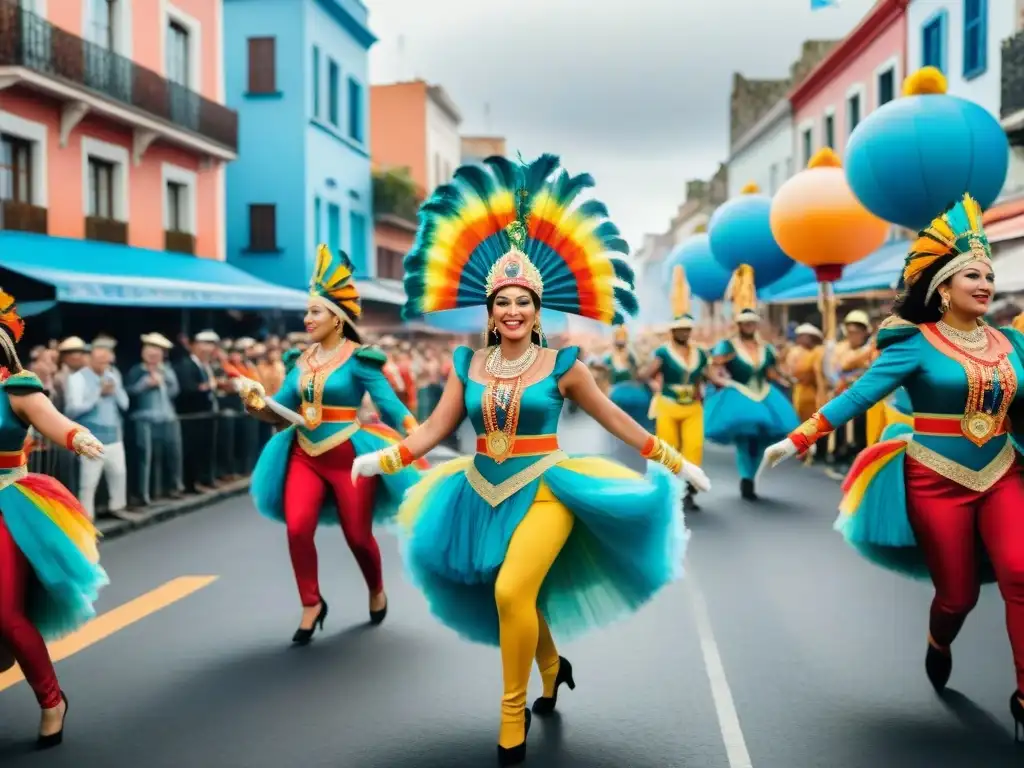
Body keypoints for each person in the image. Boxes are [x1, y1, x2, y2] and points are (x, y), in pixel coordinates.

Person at [350, 153, 708, 765]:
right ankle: (552, 663)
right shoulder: (467, 365)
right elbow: (436, 428)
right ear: (489, 311)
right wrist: (381, 459)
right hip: (480, 490)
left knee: (513, 592)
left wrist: (676, 461)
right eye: (501, 302)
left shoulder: (565, 367)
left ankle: (511, 711)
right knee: (515, 593)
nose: (511, 311)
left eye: (522, 302)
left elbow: (616, 420)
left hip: (548, 488)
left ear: (538, 311)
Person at [761, 194, 1024, 736]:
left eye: (989, 275)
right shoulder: (915, 344)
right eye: (970, 274)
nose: (984, 283)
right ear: (943, 288)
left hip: (1004, 470)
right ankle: (938, 637)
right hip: (934, 477)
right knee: (958, 595)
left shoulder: (1013, 343)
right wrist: (799, 437)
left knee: (1022, 572)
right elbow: (859, 395)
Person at [236, 245, 424, 643]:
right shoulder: (297, 361)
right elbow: (279, 411)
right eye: (307, 312)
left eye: (315, 311)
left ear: (336, 318)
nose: (306, 319)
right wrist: (255, 404)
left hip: (350, 456)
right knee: (298, 528)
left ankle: (375, 588)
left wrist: (417, 434)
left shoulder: (360, 359)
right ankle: (311, 603)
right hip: (303, 453)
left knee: (358, 536)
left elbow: (390, 404)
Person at [0, 289, 107, 748]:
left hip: (9, 503)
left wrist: (77, 436)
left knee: (5, 612)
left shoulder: (15, 388)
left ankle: (50, 699)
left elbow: (53, 418)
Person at [703, 268, 799, 500]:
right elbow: (713, 366)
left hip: (763, 394)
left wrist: (786, 378)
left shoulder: (766, 348)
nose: (749, 326)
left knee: (762, 440)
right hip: (739, 394)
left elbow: (771, 371)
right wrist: (719, 379)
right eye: (745, 323)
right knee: (745, 440)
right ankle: (746, 478)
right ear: (739, 324)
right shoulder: (728, 346)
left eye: (752, 323)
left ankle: (752, 475)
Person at [639, 265, 708, 511]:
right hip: (668, 403)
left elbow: (703, 375)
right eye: (679, 329)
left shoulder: (699, 352)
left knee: (694, 447)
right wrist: (651, 380)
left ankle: (689, 491)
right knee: (668, 448)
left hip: (692, 406)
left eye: (687, 329)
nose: (683, 332)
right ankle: (668, 490)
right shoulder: (663, 352)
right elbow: (647, 373)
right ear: (673, 331)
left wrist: (705, 388)